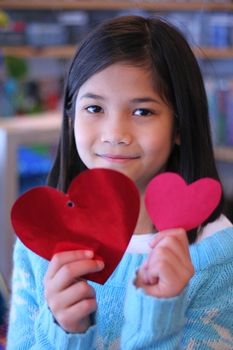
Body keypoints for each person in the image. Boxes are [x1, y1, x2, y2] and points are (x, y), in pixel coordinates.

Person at [7, 15, 233, 349]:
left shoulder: (217, 255)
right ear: (70, 117)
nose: (116, 135)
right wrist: (64, 329)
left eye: (143, 112)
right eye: (94, 107)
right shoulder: (40, 240)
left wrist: (158, 313)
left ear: (181, 126)